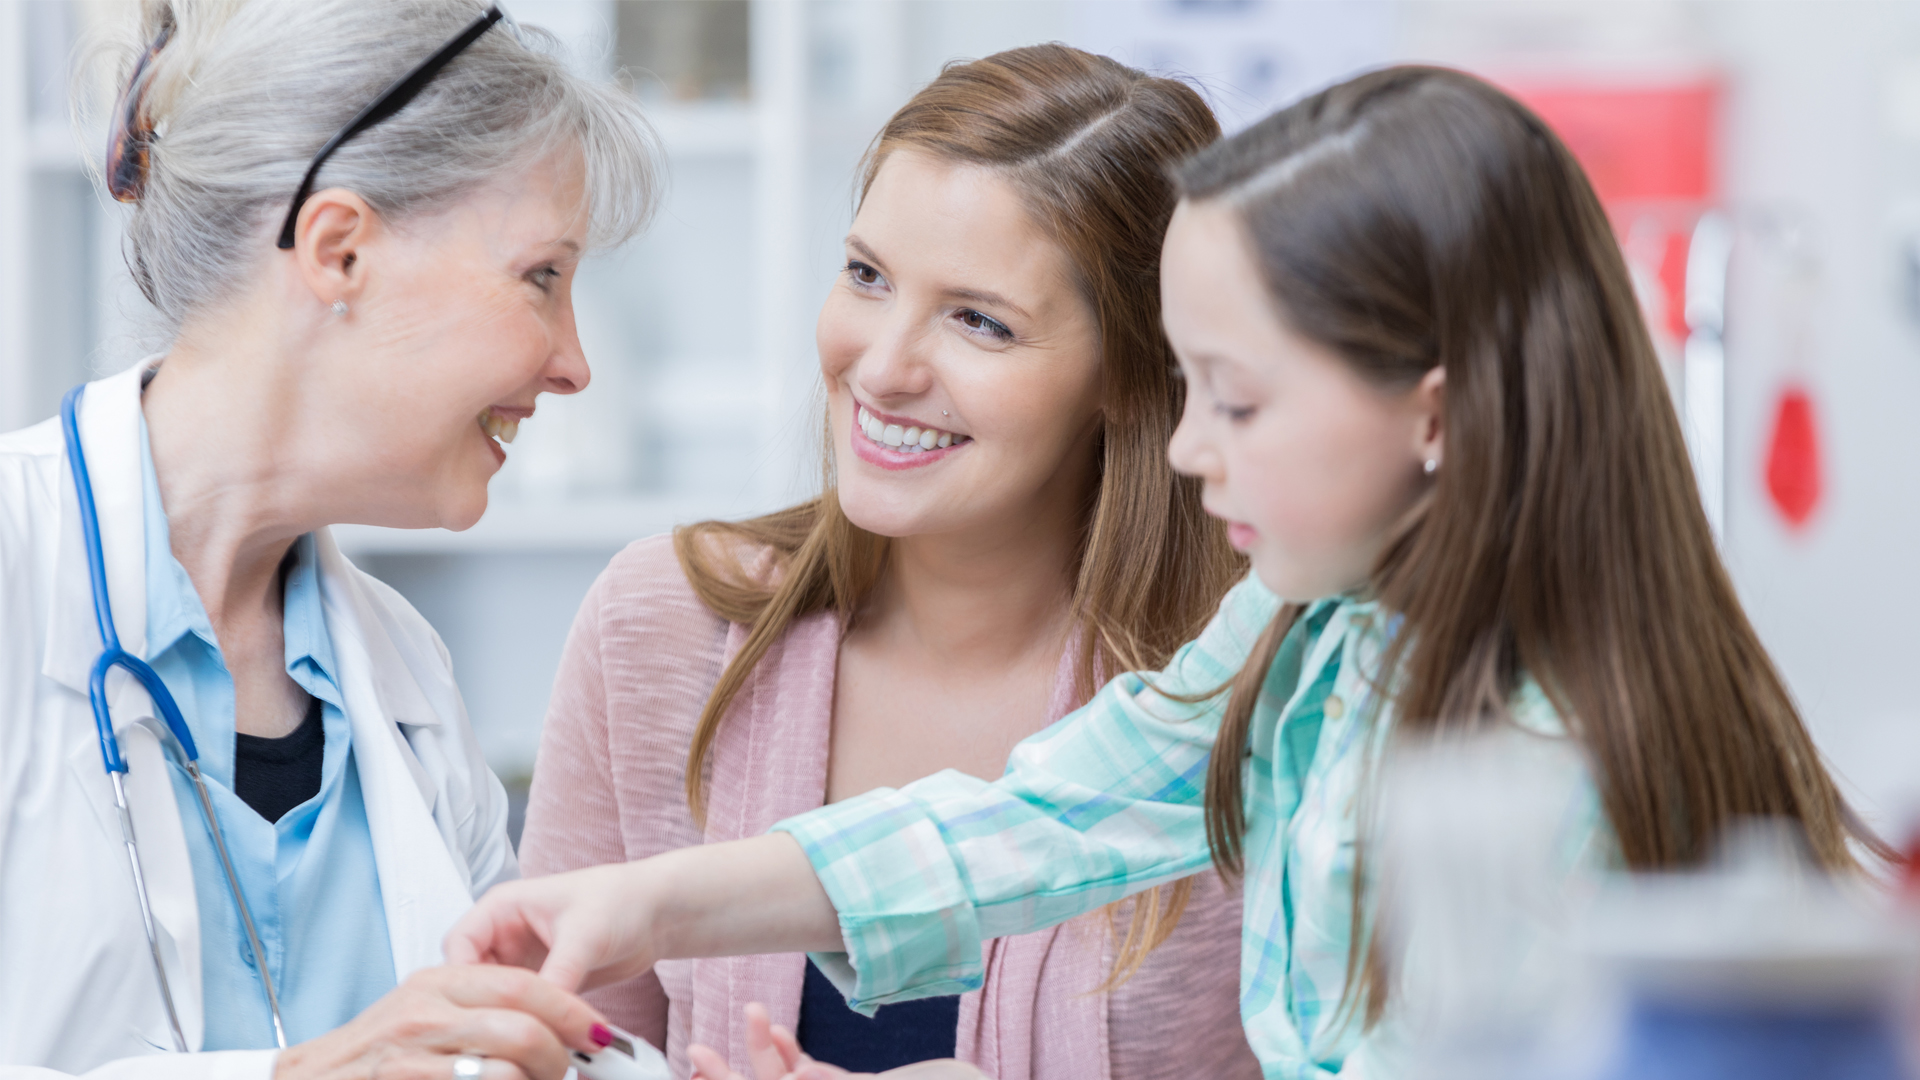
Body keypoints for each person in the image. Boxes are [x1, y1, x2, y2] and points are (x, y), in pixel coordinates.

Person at [448, 66, 1889, 1078]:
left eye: (1237, 401)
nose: (1191, 450)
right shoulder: (1305, 637)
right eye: (1188, 387)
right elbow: (1042, 818)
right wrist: (637, 906)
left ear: (1433, 414)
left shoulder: (1545, 770)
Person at [515, 45, 1256, 1080]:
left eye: (979, 321)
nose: (884, 366)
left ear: (1135, 374)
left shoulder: (1252, 700)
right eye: (867, 275)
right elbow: (557, 1046)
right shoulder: (664, 624)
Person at [0, 1, 657, 1075]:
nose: (574, 362)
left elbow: (503, 1045)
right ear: (339, 248)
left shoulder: (402, 674)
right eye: (542, 276)